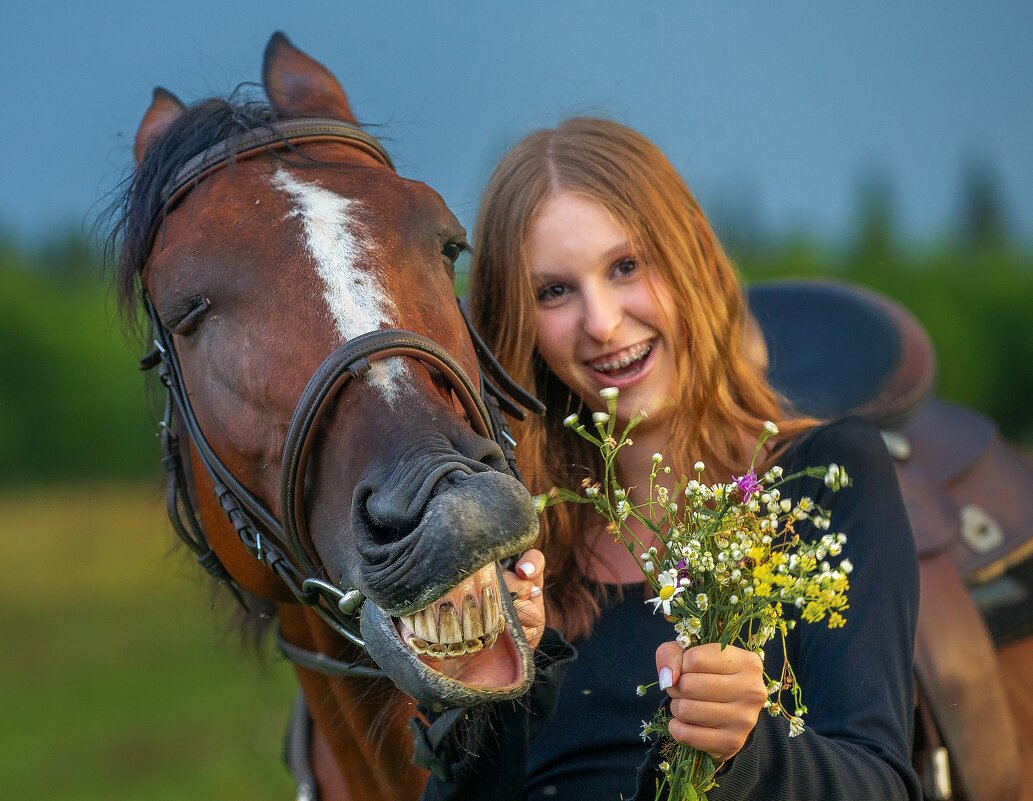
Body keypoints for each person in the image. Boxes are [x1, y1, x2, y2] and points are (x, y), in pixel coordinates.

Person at [423, 117, 921, 801]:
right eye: (553, 291)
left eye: (625, 266)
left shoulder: (827, 476)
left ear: (689, 257)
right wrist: (481, 694)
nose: (600, 321)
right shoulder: (509, 532)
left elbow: (884, 785)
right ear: (518, 318)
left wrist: (748, 744)